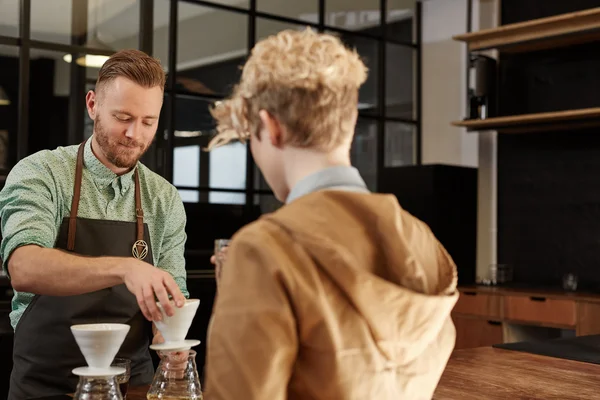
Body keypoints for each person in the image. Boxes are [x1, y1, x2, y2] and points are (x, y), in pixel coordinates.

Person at [203, 28, 459, 399]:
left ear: (271, 128)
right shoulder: (422, 239)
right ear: (350, 124)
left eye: (251, 138)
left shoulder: (264, 249)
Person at [0, 49, 188, 399]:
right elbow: (23, 267)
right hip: (46, 385)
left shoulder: (164, 198)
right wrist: (126, 268)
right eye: (123, 117)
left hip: (135, 384)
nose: (135, 134)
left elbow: (172, 293)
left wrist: (169, 336)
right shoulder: (41, 173)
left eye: (148, 121)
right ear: (92, 105)